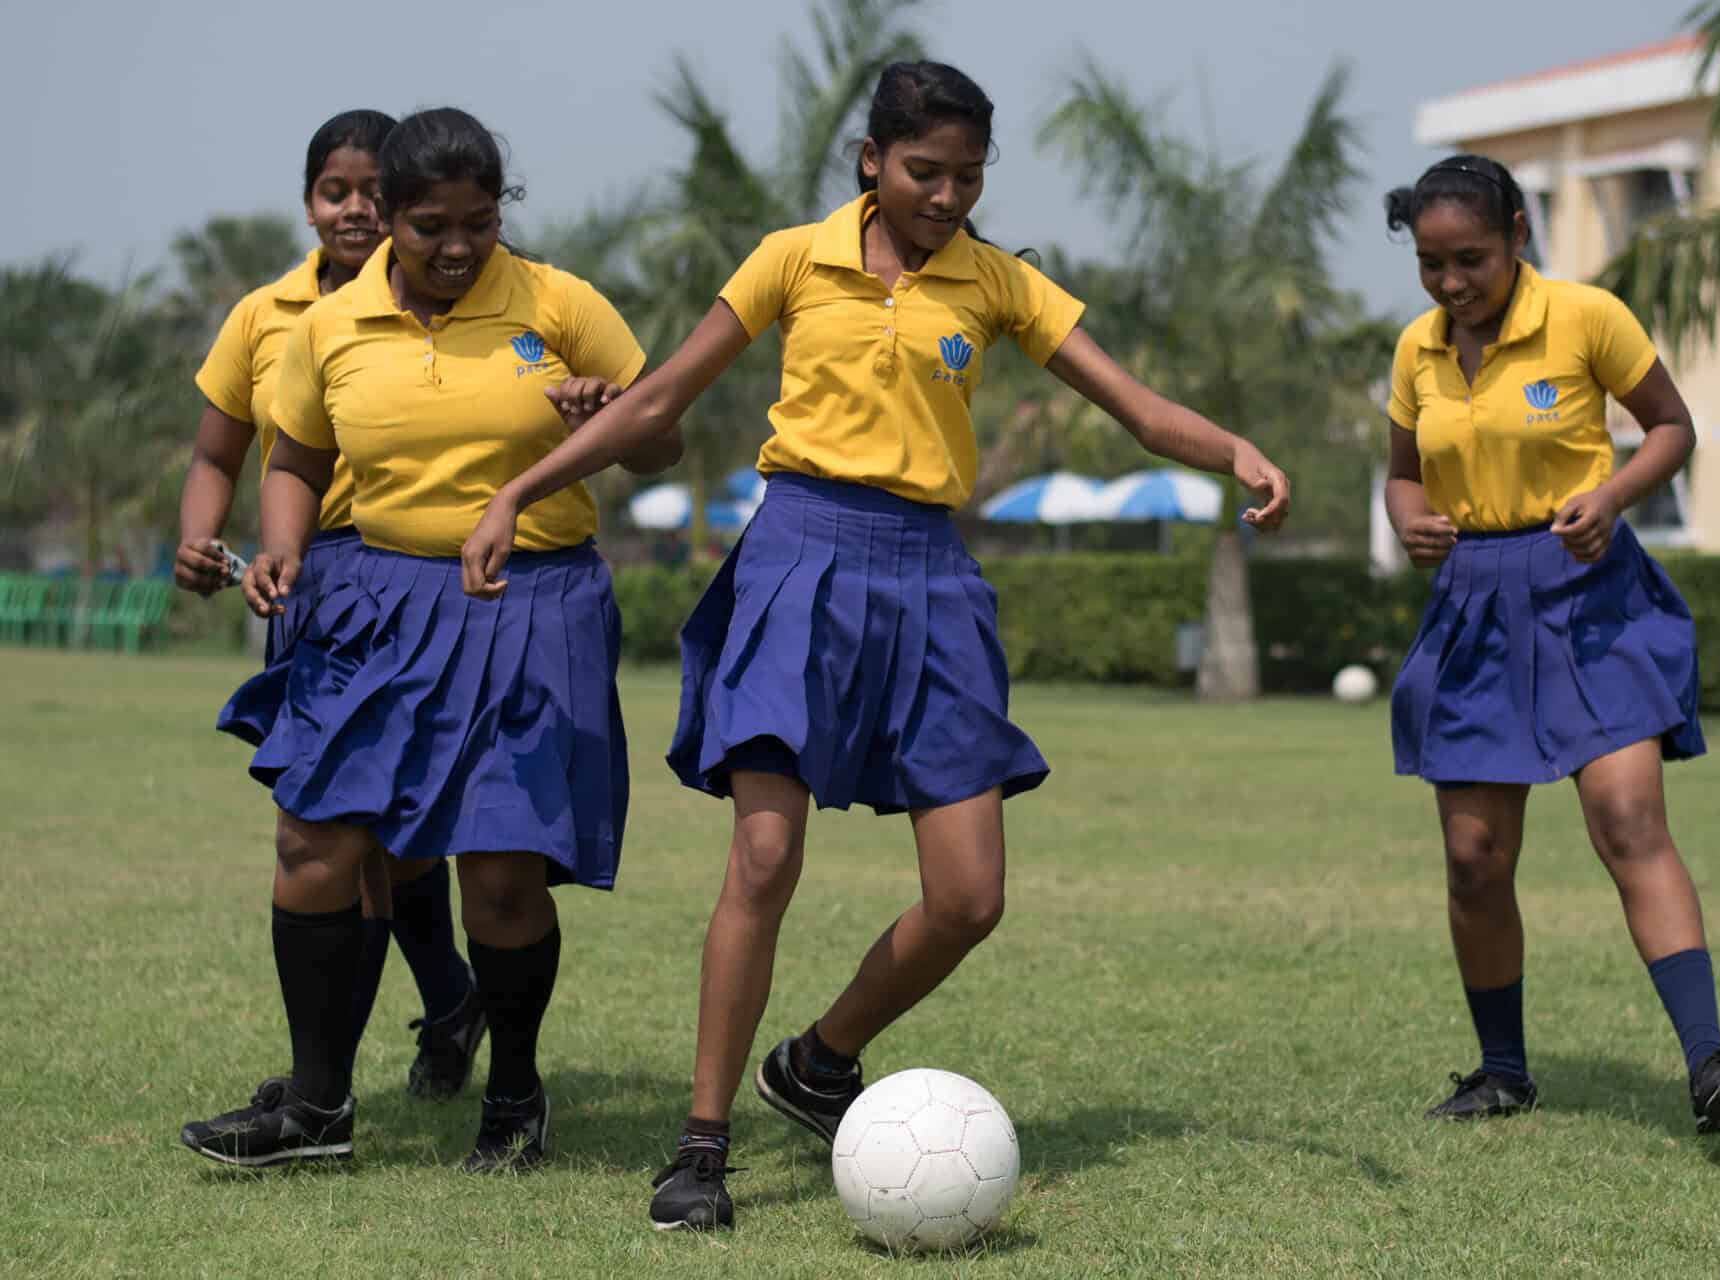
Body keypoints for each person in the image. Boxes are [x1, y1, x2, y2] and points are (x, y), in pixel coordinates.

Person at [458, 61, 1292, 1230]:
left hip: (934, 583)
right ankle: (702, 1148)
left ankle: (819, 1058)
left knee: (971, 896)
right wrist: (518, 490)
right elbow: (659, 401)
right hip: (799, 558)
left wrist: (1234, 450)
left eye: (967, 175)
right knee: (763, 856)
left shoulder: (1000, 283)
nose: (946, 195)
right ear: (871, 159)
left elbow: (1138, 406)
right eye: (923, 171)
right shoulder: (795, 257)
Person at [179, 107, 679, 1171]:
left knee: (500, 875)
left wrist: (610, 412)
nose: (457, 244)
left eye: (480, 220)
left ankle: (513, 1091)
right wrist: (280, 550)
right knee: (315, 842)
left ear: (504, 211)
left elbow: (661, 434)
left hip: (529, 600)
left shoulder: (559, 301)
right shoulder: (329, 323)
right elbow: (295, 461)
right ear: (389, 218)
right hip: (369, 600)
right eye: (430, 224)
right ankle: (317, 1105)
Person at [1381, 154, 1720, 1134]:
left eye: (1469, 257)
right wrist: (1412, 519)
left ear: (1519, 232)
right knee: (1473, 855)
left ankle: (1711, 1061)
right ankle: (1502, 1071)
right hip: (1474, 603)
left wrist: (1611, 496)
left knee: (1628, 817)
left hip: (1589, 591)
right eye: (1431, 263)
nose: (1451, 282)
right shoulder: (1415, 350)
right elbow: (1402, 473)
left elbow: (1672, 427)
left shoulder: (1587, 315)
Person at [175, 109, 484, 1104]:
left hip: (415, 577)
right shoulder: (267, 314)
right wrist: (202, 533)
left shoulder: (469, 296)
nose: (352, 210)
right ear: (308, 200)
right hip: (305, 580)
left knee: (387, 836)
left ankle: (336, 1076)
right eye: (332, 191)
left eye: (369, 193)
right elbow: (220, 450)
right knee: (347, 836)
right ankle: (409, 1026)